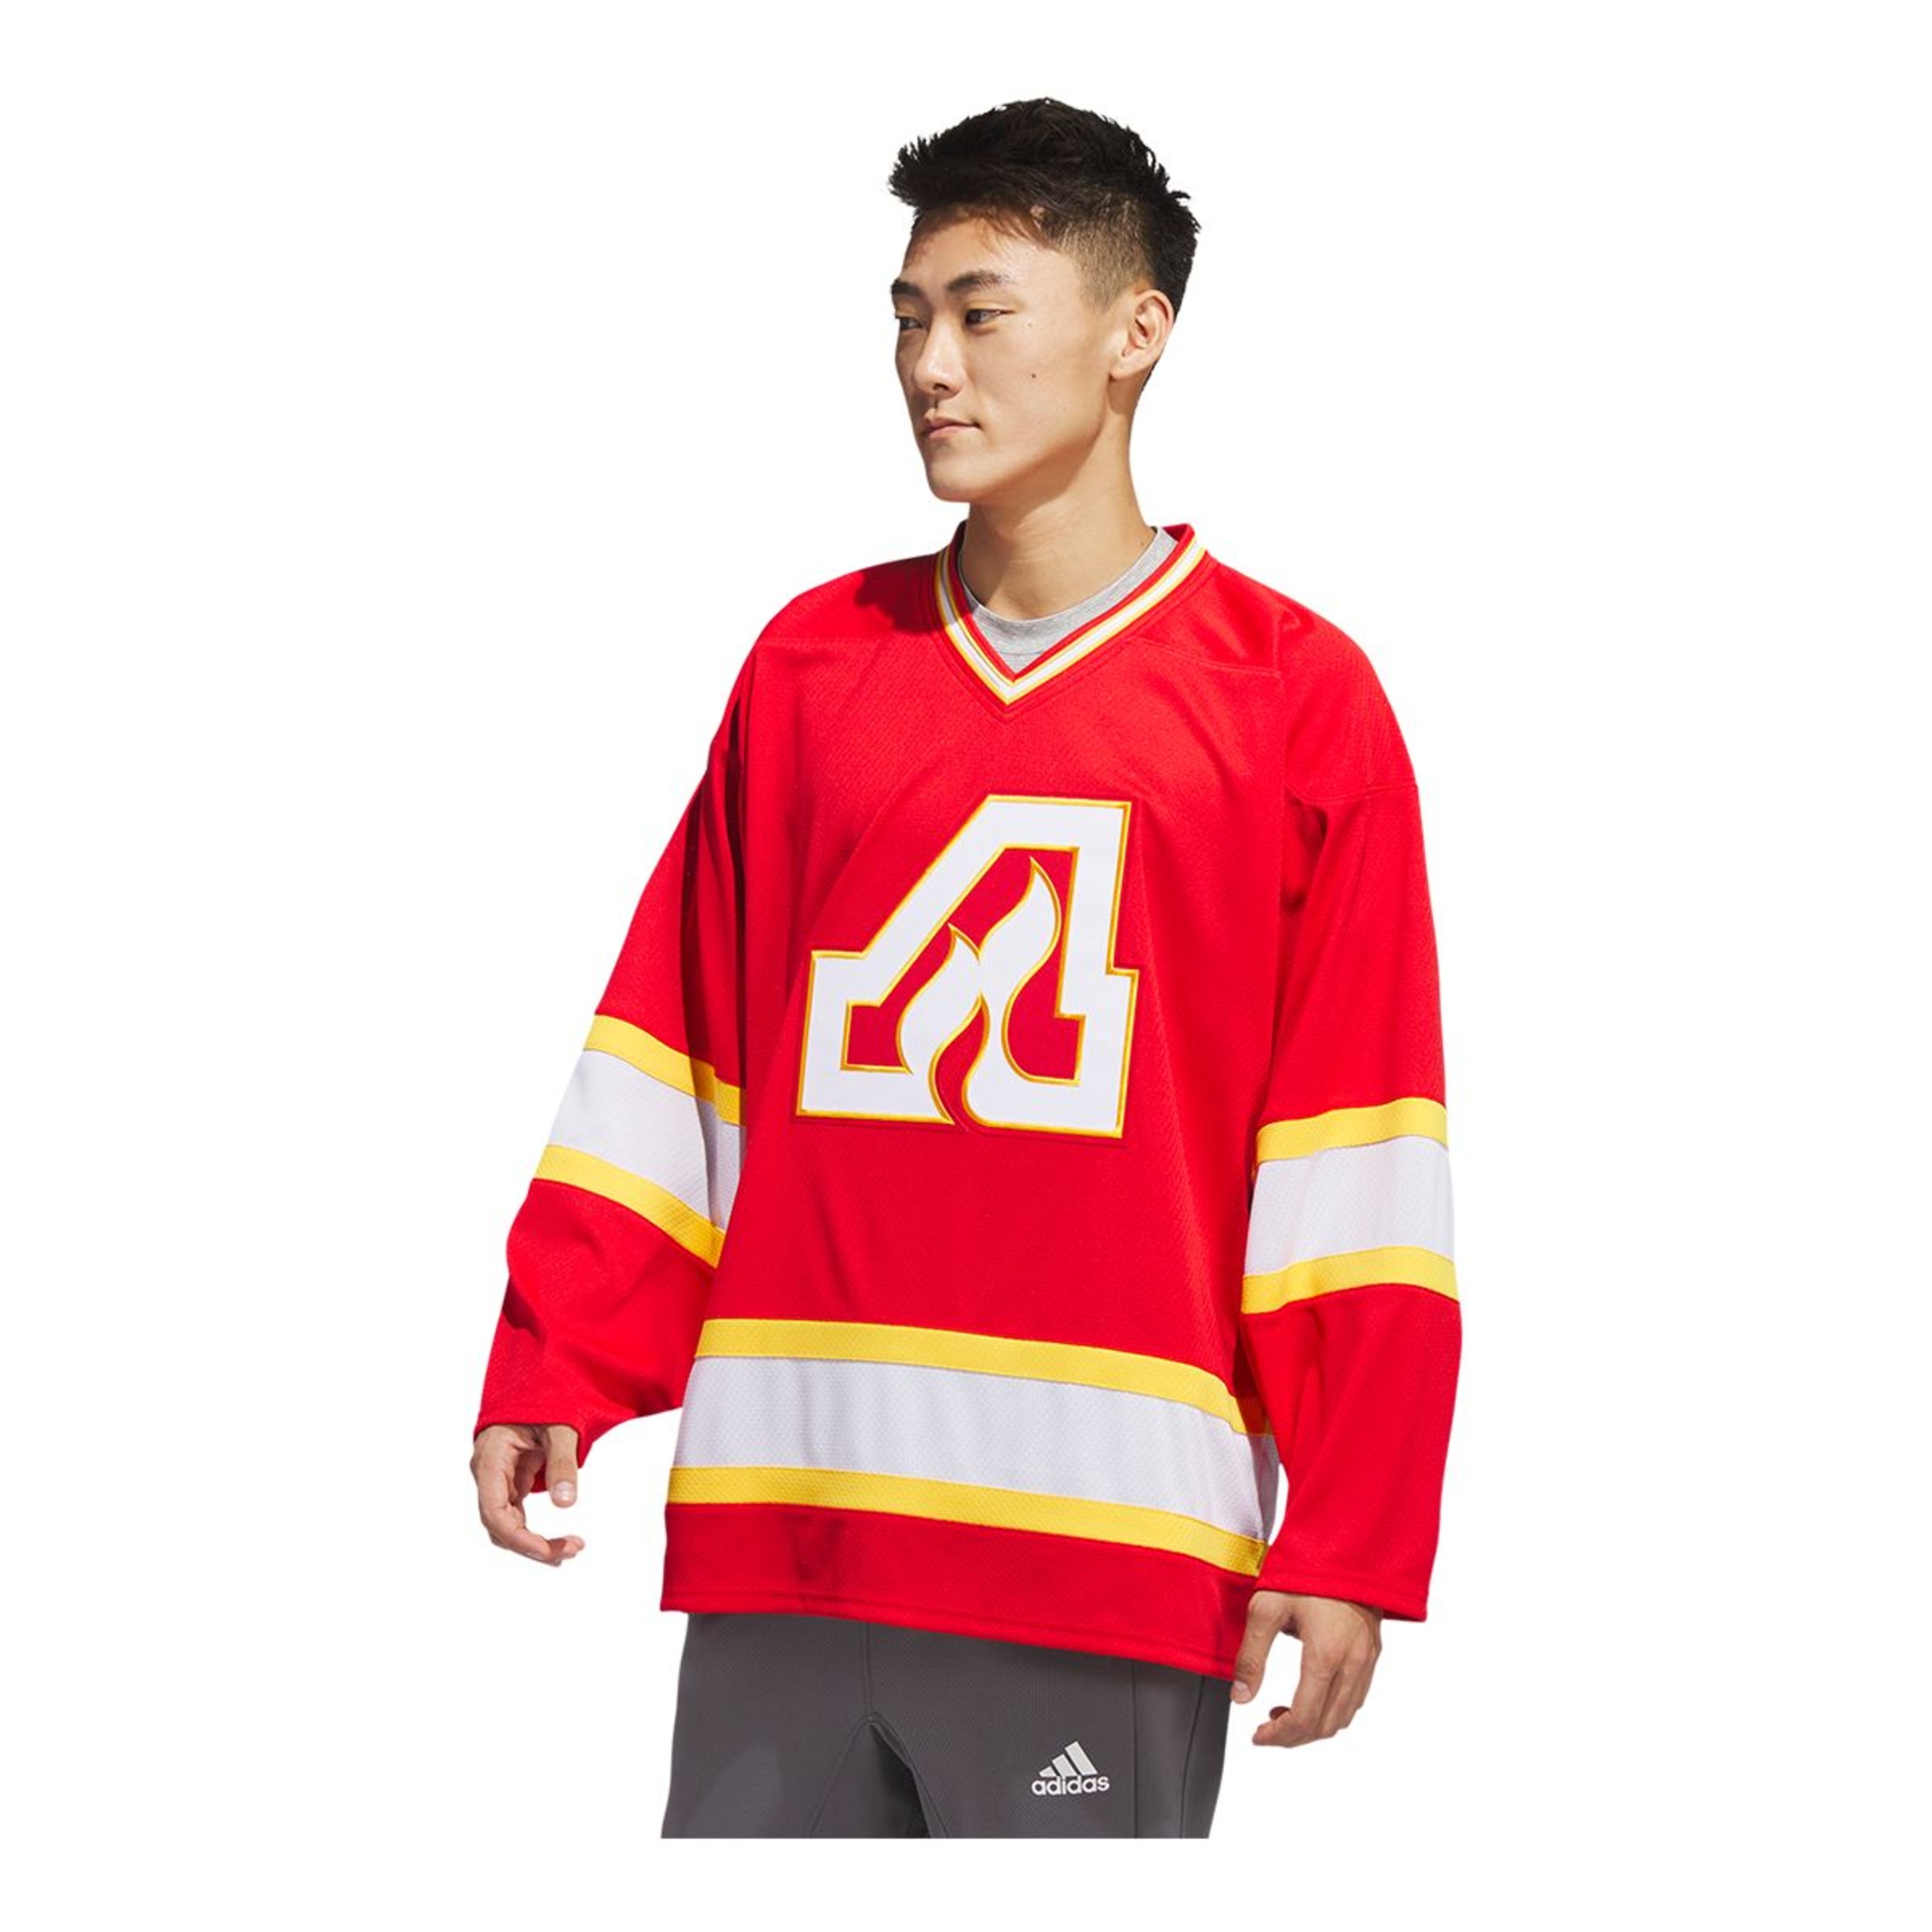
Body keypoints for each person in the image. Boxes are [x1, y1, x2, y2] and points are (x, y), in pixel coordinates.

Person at [469, 96, 1462, 1839]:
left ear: (1136, 330)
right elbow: (675, 1049)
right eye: (908, 317)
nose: (930, 364)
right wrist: (559, 1357)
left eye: (983, 312)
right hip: (791, 1528)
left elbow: (1353, 1159)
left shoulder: (1292, 702)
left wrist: (1350, 1535)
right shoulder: (810, 664)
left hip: (1106, 1558)